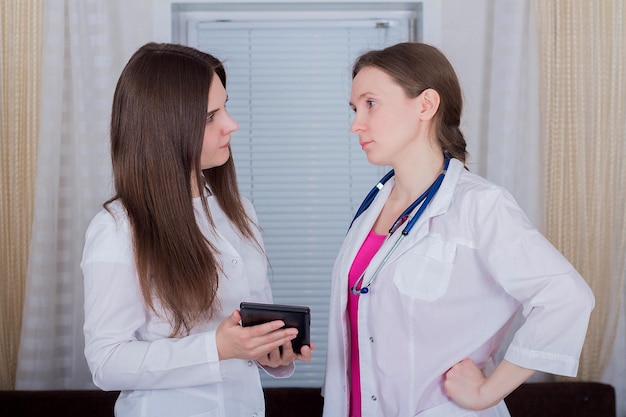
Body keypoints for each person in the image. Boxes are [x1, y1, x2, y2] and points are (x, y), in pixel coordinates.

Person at [322, 42, 595, 417]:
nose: (356, 123)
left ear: (426, 105)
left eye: (371, 103)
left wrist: (487, 391)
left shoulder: (479, 205)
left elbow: (567, 296)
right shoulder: (372, 209)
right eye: (355, 109)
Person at [81, 42, 312, 417]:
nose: (231, 124)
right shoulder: (119, 229)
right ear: (164, 127)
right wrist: (217, 348)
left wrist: (271, 350)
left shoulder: (240, 213)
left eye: (225, 107)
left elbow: (247, 329)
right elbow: (106, 363)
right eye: (210, 116)